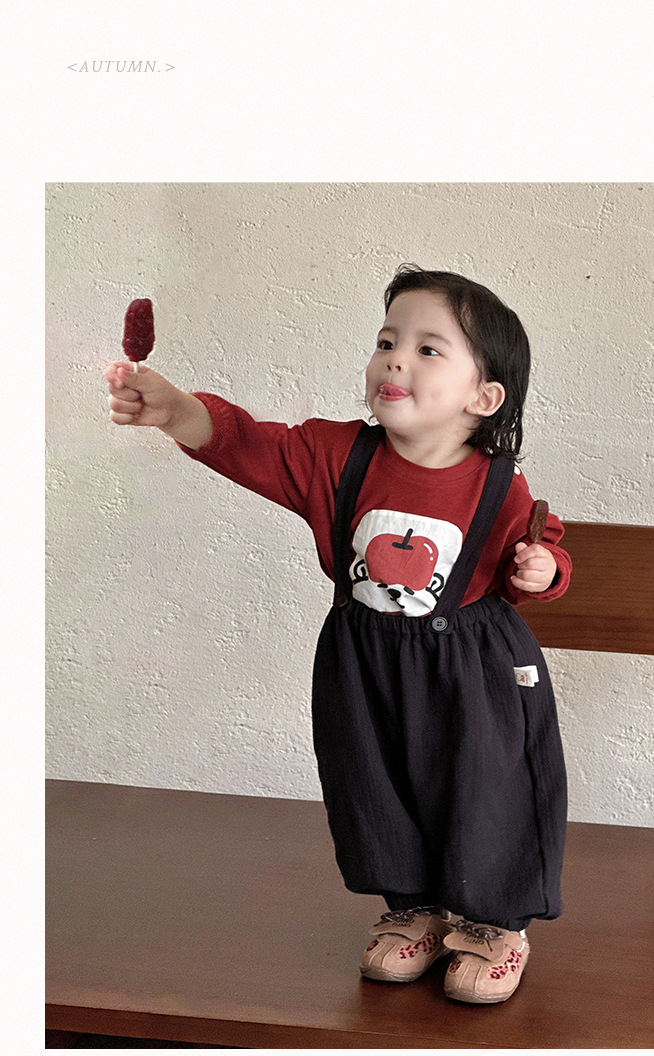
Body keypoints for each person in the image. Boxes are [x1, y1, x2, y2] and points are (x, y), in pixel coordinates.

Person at [104, 264, 572, 1004]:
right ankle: (413, 907)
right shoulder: (335, 455)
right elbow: (247, 444)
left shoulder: (498, 483)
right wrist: (174, 409)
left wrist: (541, 571)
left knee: (486, 788)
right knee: (372, 781)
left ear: (483, 398)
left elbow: (534, 559)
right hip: (363, 659)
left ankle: (495, 923)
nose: (395, 359)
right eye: (387, 341)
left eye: (427, 349)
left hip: (474, 669)